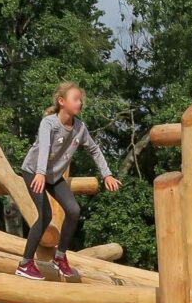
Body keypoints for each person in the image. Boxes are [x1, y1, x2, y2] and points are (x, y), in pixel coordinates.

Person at [15, 82, 121, 281]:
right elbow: (44, 147)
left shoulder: (80, 128)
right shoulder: (49, 123)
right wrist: (39, 172)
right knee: (45, 215)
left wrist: (106, 174)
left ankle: (60, 256)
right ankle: (25, 263)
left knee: (74, 210)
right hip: (33, 172)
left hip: (54, 177)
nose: (79, 102)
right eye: (75, 98)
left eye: (80, 99)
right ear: (61, 102)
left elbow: (94, 149)